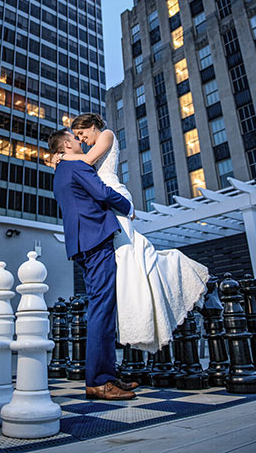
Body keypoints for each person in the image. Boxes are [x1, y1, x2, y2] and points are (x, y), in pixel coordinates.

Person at [53, 113, 209, 353]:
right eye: (77, 137)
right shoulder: (80, 156)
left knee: (130, 254)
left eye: (82, 134)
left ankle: (176, 272)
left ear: (92, 126)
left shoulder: (106, 135)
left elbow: (86, 161)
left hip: (113, 197)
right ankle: (139, 316)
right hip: (105, 204)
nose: (82, 140)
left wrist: (62, 156)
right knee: (128, 262)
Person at [48, 128, 138, 401]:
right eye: (75, 139)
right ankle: (100, 382)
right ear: (66, 144)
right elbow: (102, 193)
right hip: (96, 239)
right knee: (102, 308)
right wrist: (129, 207)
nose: (80, 142)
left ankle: (106, 376)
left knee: (101, 307)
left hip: (82, 242)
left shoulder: (60, 170)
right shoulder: (75, 166)